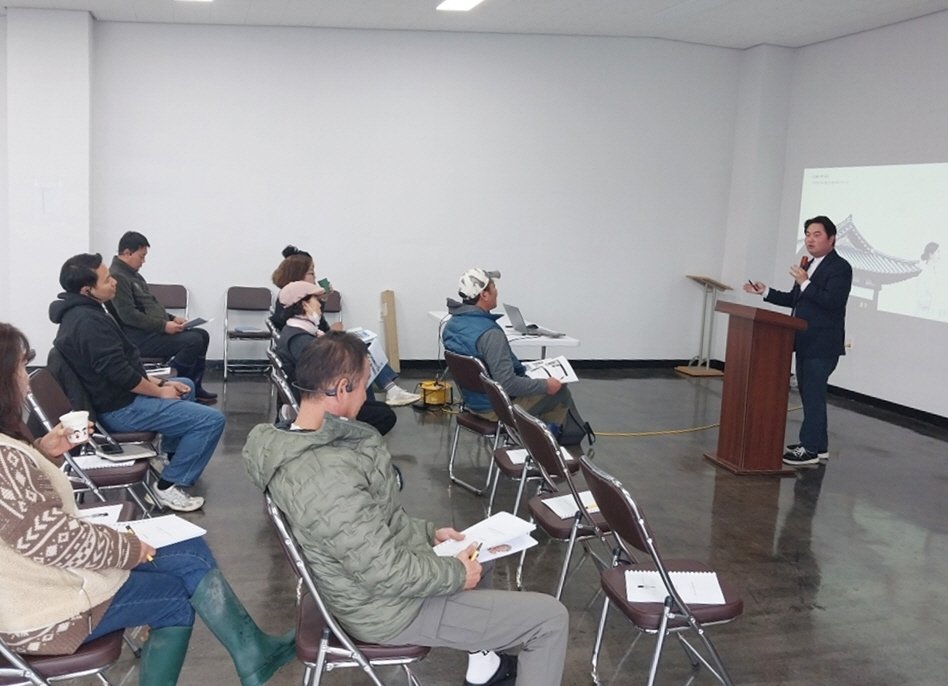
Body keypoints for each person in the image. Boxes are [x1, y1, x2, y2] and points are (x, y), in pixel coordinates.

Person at [243, 332, 569, 686]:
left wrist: (429, 534)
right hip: (386, 609)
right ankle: (491, 662)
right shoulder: (324, 475)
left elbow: (369, 527)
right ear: (341, 388)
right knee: (549, 619)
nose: (367, 395)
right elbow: (382, 569)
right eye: (364, 384)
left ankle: (485, 670)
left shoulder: (304, 442)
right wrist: (455, 574)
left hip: (367, 589)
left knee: (477, 553)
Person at [0, 322, 295, 686]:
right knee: (173, 600)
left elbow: (22, 514)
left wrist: (44, 451)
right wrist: (127, 548)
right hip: (43, 614)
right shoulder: (5, 459)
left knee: (188, 548)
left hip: (48, 582)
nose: (26, 380)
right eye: (20, 368)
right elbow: (52, 540)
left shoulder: (8, 452)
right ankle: (252, 654)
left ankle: (252, 651)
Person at [50, 253, 225, 512]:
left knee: (184, 385)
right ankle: (168, 486)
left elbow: (122, 366)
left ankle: (169, 460)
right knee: (211, 421)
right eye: (106, 280)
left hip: (117, 396)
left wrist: (159, 384)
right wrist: (159, 392)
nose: (114, 282)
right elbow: (121, 374)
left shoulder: (88, 311)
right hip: (117, 409)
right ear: (87, 290)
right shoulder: (87, 322)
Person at [744, 215, 853, 466]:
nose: (810, 239)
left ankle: (810, 449)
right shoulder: (810, 265)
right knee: (810, 395)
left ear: (832, 239)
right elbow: (795, 299)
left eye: (817, 234)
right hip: (804, 341)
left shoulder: (840, 267)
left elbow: (831, 302)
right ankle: (819, 447)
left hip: (822, 344)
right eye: (807, 234)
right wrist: (765, 291)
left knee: (813, 396)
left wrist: (805, 282)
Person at [271, 245, 420, 406]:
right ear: (298, 275)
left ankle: (387, 391)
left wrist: (321, 301)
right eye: (312, 273)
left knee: (360, 346)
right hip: (318, 377)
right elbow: (316, 346)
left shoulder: (295, 305)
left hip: (318, 356)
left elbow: (317, 327)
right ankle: (375, 398)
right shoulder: (292, 309)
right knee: (358, 352)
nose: (315, 278)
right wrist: (332, 333)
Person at [442, 268, 574, 429]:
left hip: (472, 402)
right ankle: (544, 442)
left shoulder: (451, 325)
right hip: (495, 409)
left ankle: (532, 436)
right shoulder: (490, 334)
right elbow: (507, 384)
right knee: (560, 392)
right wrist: (546, 385)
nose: (497, 291)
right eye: (493, 287)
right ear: (484, 295)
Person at [275, 280, 397, 436]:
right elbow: (326, 374)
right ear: (305, 305)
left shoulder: (296, 331)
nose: (320, 305)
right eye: (316, 300)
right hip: (318, 402)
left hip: (313, 396)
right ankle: (344, 442)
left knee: (380, 408)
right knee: (385, 415)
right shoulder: (300, 340)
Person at [109, 231, 217, 404]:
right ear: (127, 253)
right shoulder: (118, 276)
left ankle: (194, 387)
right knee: (193, 340)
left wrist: (172, 318)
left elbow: (150, 306)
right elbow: (128, 316)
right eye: (141, 256)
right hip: (137, 338)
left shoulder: (134, 275)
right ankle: (176, 386)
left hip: (150, 331)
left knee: (202, 335)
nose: (144, 261)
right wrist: (163, 326)